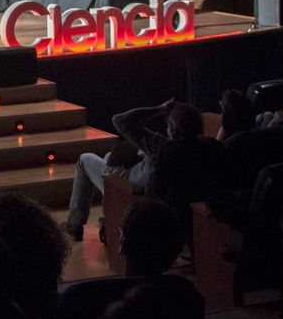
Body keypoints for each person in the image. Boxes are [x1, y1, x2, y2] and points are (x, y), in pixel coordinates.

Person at [65, 99, 203, 240]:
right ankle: (108, 218)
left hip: (129, 186)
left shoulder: (160, 146)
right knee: (108, 157)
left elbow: (119, 120)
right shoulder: (203, 148)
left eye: (168, 122)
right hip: (161, 193)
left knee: (84, 159)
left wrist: (159, 109)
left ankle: (74, 225)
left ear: (173, 128)